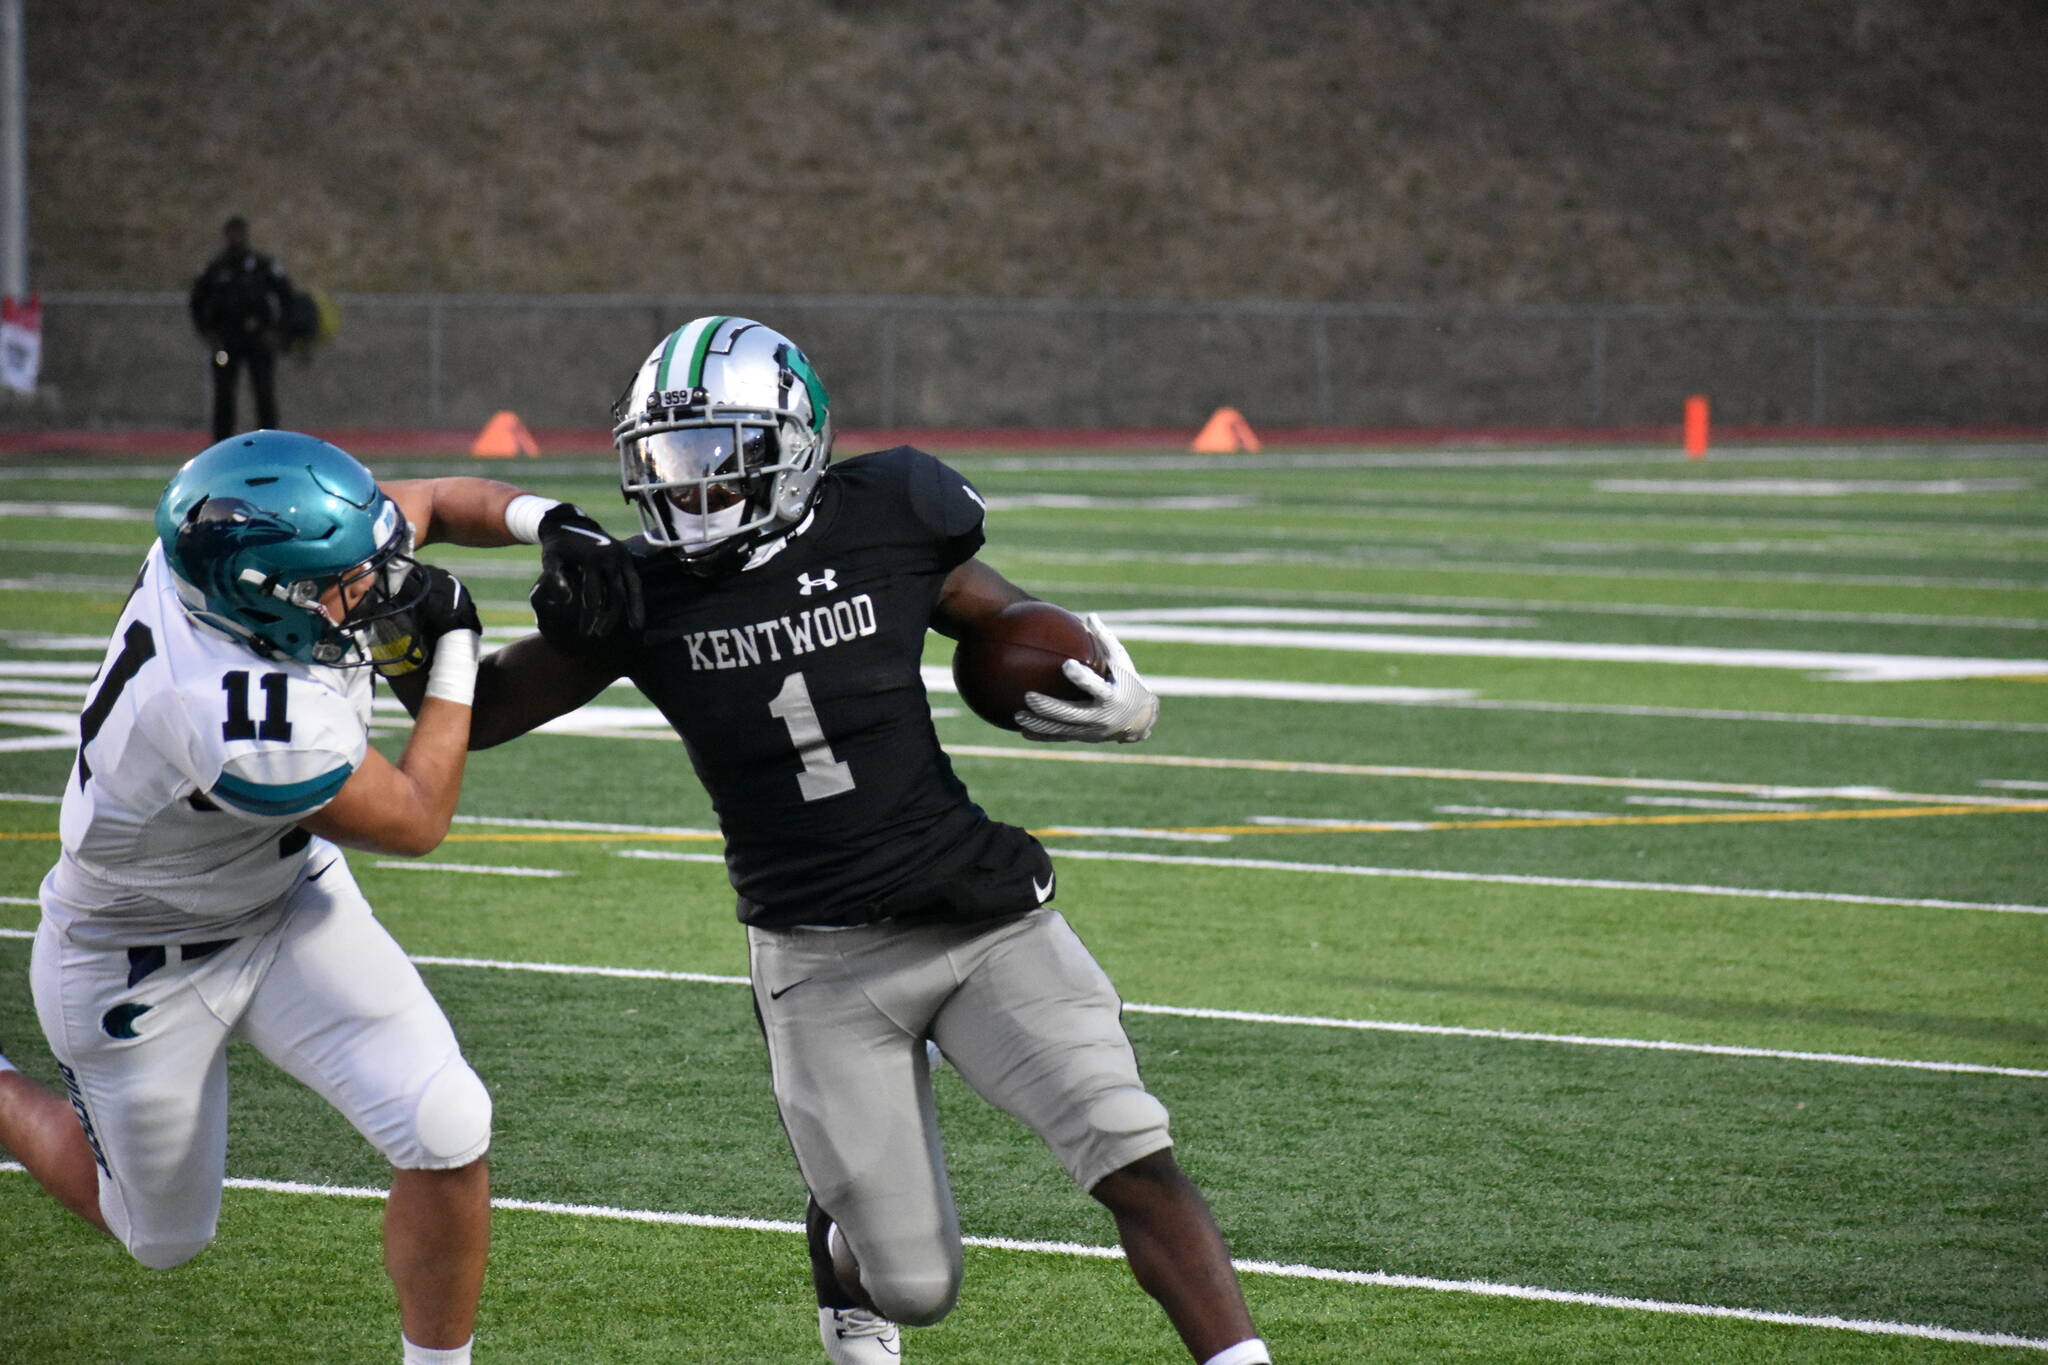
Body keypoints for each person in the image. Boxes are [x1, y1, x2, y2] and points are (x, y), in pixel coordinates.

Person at [466, 316, 1272, 1365]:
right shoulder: (634, 592)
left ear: (794, 447)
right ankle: (842, 1255)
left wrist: (1104, 681)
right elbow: (479, 712)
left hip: (979, 917)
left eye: (718, 456)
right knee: (914, 1283)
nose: (689, 488)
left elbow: (1001, 614)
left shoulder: (888, 515)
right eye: (667, 459)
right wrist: (405, 628)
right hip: (817, 959)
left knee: (1131, 1148)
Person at [0, 429, 609, 1365]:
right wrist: (453, 653)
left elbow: (439, 497)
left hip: (283, 899)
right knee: (160, 1236)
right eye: (343, 582)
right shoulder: (226, 711)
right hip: (134, 959)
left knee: (447, 1122)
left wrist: (549, 521)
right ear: (267, 599)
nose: (370, 589)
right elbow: (415, 816)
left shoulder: (226, 566)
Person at [188, 216, 294, 440]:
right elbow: (197, 302)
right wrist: (208, 333)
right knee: (224, 394)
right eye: (230, 233)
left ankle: (270, 441)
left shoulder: (261, 265)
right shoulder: (216, 268)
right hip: (226, 340)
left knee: (264, 392)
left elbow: (286, 295)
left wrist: (278, 332)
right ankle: (221, 445)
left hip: (258, 339)